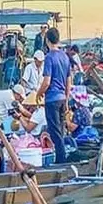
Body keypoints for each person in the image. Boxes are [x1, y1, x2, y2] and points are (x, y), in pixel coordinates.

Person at [36, 27, 71, 164]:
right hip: (62, 98)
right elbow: (69, 82)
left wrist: (39, 93)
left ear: (47, 40)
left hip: (52, 99)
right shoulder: (65, 57)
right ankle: (60, 158)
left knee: (55, 132)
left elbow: (46, 82)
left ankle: (61, 162)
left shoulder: (49, 57)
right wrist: (67, 100)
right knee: (60, 131)